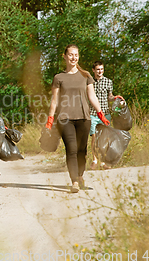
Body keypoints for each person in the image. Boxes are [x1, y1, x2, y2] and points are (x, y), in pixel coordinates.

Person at [45, 44, 110, 193]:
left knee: (82, 151)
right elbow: (54, 100)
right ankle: (74, 181)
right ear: (65, 56)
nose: (74, 57)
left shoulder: (85, 75)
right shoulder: (58, 78)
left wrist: (101, 114)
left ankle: (80, 176)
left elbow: (91, 96)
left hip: (84, 117)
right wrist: (50, 120)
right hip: (64, 118)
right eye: (71, 55)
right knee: (72, 149)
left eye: (76, 55)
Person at [89, 61, 124, 170]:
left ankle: (103, 162)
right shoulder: (89, 82)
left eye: (102, 69)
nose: (100, 71)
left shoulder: (108, 82)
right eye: (98, 69)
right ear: (93, 70)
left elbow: (109, 96)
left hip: (105, 113)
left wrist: (115, 98)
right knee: (94, 137)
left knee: (104, 139)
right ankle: (94, 159)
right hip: (92, 113)